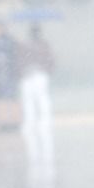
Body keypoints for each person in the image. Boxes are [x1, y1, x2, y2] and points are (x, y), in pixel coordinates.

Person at [19, 23, 55, 168]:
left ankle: (33, 123)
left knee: (33, 101)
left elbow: (20, 60)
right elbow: (50, 59)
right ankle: (39, 122)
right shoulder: (42, 45)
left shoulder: (27, 45)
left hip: (32, 75)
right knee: (39, 100)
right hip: (37, 75)